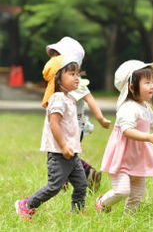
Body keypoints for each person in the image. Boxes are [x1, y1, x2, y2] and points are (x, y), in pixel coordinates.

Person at [95, 60, 153, 214]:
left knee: (137, 192)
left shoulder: (145, 106)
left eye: (152, 82)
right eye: (146, 82)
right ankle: (102, 202)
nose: (152, 86)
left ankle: (128, 220)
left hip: (137, 157)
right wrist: (148, 137)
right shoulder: (128, 108)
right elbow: (127, 131)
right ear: (131, 87)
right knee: (122, 190)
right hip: (122, 156)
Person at [15, 56, 87, 221]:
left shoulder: (69, 99)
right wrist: (63, 145)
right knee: (54, 186)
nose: (77, 78)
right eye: (72, 74)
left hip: (71, 153)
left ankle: (77, 212)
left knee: (82, 184)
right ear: (58, 77)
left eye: (78, 74)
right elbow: (54, 124)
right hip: (59, 152)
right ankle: (26, 205)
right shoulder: (57, 98)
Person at [46, 37, 111, 191]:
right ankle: (76, 177)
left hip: (70, 127)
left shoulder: (74, 81)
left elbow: (90, 99)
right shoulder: (59, 80)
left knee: (62, 154)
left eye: (58, 57)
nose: (53, 61)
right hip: (65, 125)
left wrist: (101, 118)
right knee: (66, 155)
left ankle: (76, 176)